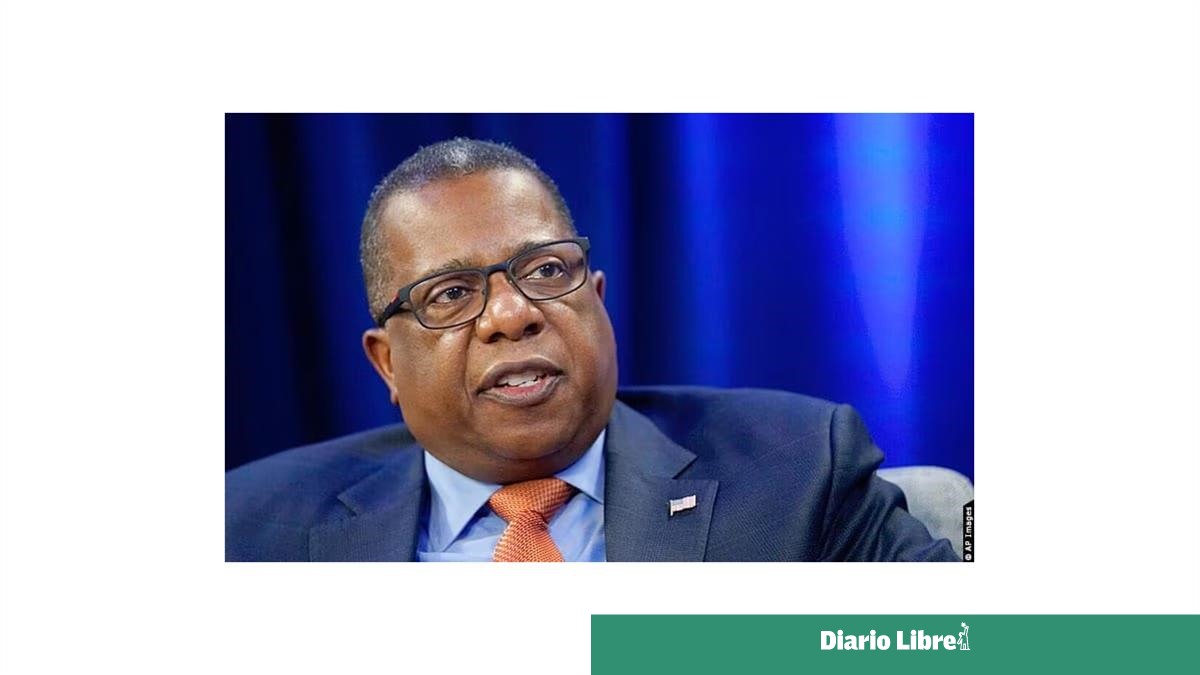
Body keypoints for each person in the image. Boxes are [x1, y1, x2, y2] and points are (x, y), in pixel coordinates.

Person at [225, 138, 959, 562]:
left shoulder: (797, 471)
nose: (511, 314)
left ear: (597, 300)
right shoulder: (246, 530)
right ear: (387, 362)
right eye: (449, 293)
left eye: (547, 271)